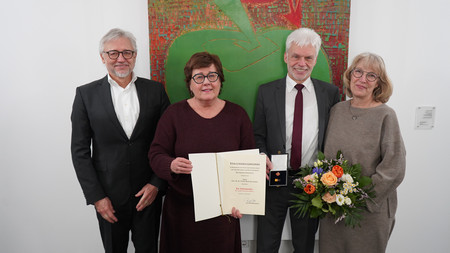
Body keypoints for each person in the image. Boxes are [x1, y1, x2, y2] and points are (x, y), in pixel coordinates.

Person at [71, 28, 170, 253]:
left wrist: (157, 184)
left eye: (127, 52)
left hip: (148, 195)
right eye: (113, 53)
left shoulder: (156, 91)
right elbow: (79, 151)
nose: (121, 59)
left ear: (135, 56)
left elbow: (168, 142)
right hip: (108, 199)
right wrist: (97, 197)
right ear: (103, 57)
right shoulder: (86, 95)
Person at [148, 52, 255, 253]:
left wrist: (242, 202)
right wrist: (170, 164)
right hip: (181, 213)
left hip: (223, 216)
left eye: (212, 76)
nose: (206, 82)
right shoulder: (173, 114)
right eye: (199, 77)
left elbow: (248, 162)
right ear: (189, 83)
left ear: (220, 80)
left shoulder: (238, 115)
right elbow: (156, 154)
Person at [254, 27, 340, 253]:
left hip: (310, 182)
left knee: (304, 245)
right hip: (273, 181)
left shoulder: (330, 93)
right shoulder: (266, 92)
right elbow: (258, 135)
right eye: (296, 56)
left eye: (308, 57)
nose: (301, 63)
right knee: (266, 244)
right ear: (286, 56)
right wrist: (262, 155)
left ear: (315, 59)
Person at [319, 52, 406, 253]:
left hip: (369, 212)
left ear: (378, 83)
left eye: (371, 76)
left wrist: (358, 197)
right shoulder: (337, 110)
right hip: (333, 209)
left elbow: (394, 168)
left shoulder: (386, 115)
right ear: (350, 75)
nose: (362, 79)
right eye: (358, 72)